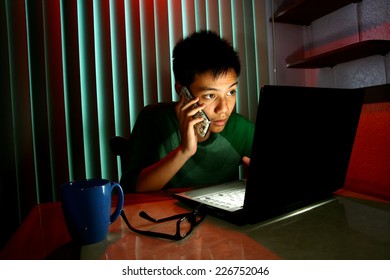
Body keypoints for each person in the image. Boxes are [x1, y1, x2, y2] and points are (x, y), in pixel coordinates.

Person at [121, 30, 254, 193]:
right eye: (210, 95)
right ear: (182, 90)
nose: (224, 108)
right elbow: (130, 190)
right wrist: (184, 150)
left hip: (217, 216)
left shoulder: (241, 129)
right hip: (163, 215)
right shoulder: (154, 119)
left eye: (231, 92)